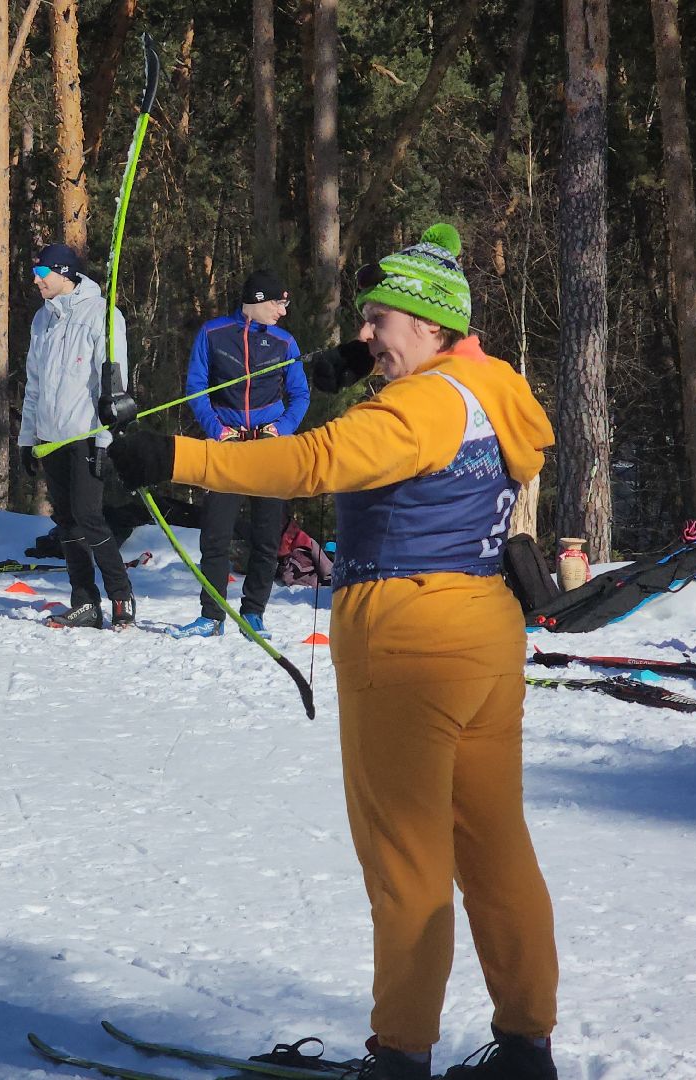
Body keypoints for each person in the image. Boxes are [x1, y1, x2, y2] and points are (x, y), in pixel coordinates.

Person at [111, 225, 560, 1080]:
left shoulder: (422, 406)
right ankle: (526, 1046)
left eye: (377, 321)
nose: (362, 336)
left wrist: (172, 456)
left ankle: (399, 1058)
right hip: (483, 638)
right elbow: (397, 403)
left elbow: (317, 462)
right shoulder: (486, 384)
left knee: (408, 862)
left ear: (431, 329)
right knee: (496, 848)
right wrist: (350, 368)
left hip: (409, 640)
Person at [168, 270, 311, 639]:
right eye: (279, 303)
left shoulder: (284, 342)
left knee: (266, 537)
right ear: (259, 301)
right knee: (215, 534)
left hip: (268, 447)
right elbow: (196, 388)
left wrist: (280, 429)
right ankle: (211, 615)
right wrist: (218, 430)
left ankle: (254, 612)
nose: (283, 311)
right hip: (227, 448)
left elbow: (300, 395)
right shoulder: (213, 334)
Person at [17, 243, 138, 630]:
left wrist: (106, 441)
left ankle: (121, 596)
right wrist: (26, 438)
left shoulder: (102, 315)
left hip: (86, 433)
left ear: (63, 272)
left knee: (89, 516)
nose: (36, 281)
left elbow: (113, 386)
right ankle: (85, 602)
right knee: (66, 519)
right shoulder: (42, 320)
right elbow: (34, 383)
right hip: (51, 436)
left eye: (42, 274)